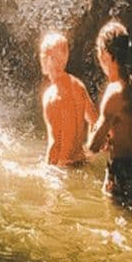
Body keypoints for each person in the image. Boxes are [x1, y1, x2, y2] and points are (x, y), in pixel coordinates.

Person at [88, 19, 132, 204]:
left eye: (98, 52)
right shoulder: (131, 85)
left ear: (105, 53)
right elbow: (122, 129)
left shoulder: (113, 92)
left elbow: (94, 145)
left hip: (120, 172)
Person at [39, 31, 98, 166]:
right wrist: (89, 150)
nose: (40, 59)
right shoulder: (79, 85)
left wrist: (48, 174)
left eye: (42, 55)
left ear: (49, 59)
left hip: (64, 169)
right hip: (83, 162)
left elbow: (55, 145)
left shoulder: (51, 96)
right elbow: (95, 122)